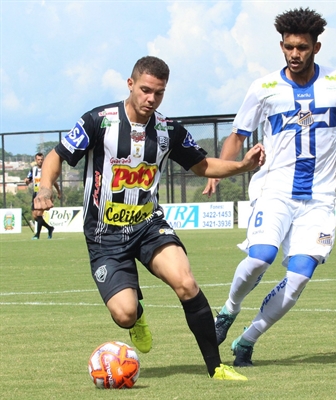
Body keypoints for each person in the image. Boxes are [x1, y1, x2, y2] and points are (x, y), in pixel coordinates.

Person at [34, 56, 265, 380]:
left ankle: (217, 368)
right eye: (145, 90)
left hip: (147, 225)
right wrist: (44, 188)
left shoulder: (169, 130)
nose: (150, 99)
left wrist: (242, 166)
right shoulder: (99, 121)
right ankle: (137, 315)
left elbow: (203, 166)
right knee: (125, 314)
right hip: (104, 236)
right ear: (130, 85)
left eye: (158, 93)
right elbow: (58, 155)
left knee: (186, 282)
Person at [203, 7, 336, 367]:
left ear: (317, 46)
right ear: (281, 46)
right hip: (275, 192)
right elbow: (237, 135)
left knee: (298, 278)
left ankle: (246, 342)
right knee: (260, 258)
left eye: (302, 47)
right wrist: (217, 172)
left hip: (320, 200)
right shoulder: (264, 88)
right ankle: (229, 310)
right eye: (288, 47)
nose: (294, 54)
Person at [25, 152, 61, 239]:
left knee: (39, 213)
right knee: (35, 215)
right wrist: (26, 181)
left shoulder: (47, 169)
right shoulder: (33, 170)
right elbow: (29, 179)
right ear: (35, 160)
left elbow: (54, 182)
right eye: (38, 159)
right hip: (35, 194)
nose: (40, 161)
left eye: (41, 159)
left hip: (44, 193)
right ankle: (50, 228)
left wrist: (58, 192)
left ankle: (37, 235)